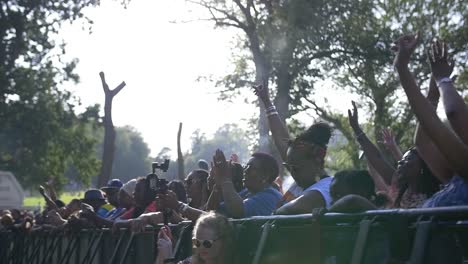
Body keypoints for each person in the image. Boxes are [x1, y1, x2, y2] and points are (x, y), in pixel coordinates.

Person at [392, 34, 468, 207]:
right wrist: (433, 89)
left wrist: (443, 80)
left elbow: (454, 113)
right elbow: (422, 143)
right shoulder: (455, 177)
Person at [253, 84, 334, 215]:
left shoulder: (327, 188)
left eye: (296, 168)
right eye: (289, 167)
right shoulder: (300, 184)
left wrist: (275, 215)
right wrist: (267, 103)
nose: (293, 173)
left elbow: (295, 208)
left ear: (318, 159)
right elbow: (280, 139)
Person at [347, 101, 441, 208]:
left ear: (422, 168)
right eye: (402, 160)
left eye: (407, 160)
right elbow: (377, 158)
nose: (400, 162)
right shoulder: (400, 186)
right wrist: (356, 129)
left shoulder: (435, 195)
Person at [155, 211, 235, 264]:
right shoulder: (190, 261)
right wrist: (162, 256)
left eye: (207, 243)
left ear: (222, 241)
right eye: (196, 242)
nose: (201, 248)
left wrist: (168, 257)